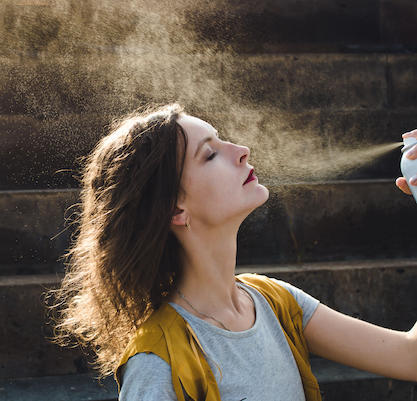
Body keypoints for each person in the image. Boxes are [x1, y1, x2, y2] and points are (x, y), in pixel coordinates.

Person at [49, 104, 417, 401]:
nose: (241, 152)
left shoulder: (276, 302)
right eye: (210, 154)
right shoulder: (158, 363)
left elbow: (410, 356)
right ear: (175, 210)